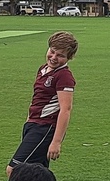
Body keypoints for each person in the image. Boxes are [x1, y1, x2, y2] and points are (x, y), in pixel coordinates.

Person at [10, 31, 78, 173]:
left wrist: (56, 142)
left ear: (69, 58)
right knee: (37, 171)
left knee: (14, 170)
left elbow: (66, 109)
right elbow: (37, 98)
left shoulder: (64, 76)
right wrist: (28, 121)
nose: (53, 57)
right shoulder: (43, 69)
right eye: (52, 52)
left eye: (60, 55)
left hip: (45, 128)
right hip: (32, 125)